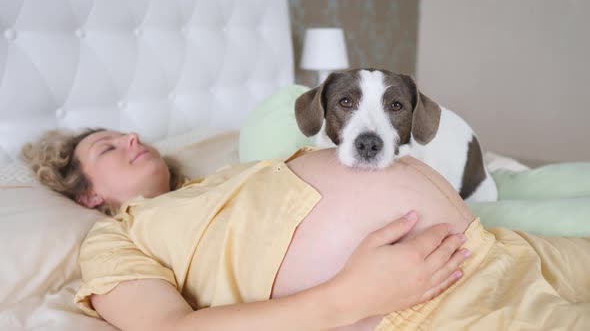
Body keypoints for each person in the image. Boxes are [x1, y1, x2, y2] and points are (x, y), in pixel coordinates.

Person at [22, 129, 590, 331]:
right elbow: (170, 329)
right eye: (107, 146)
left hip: (496, 252)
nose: (130, 137)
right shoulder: (118, 238)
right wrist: (349, 298)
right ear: (88, 193)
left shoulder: (221, 179)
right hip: (427, 306)